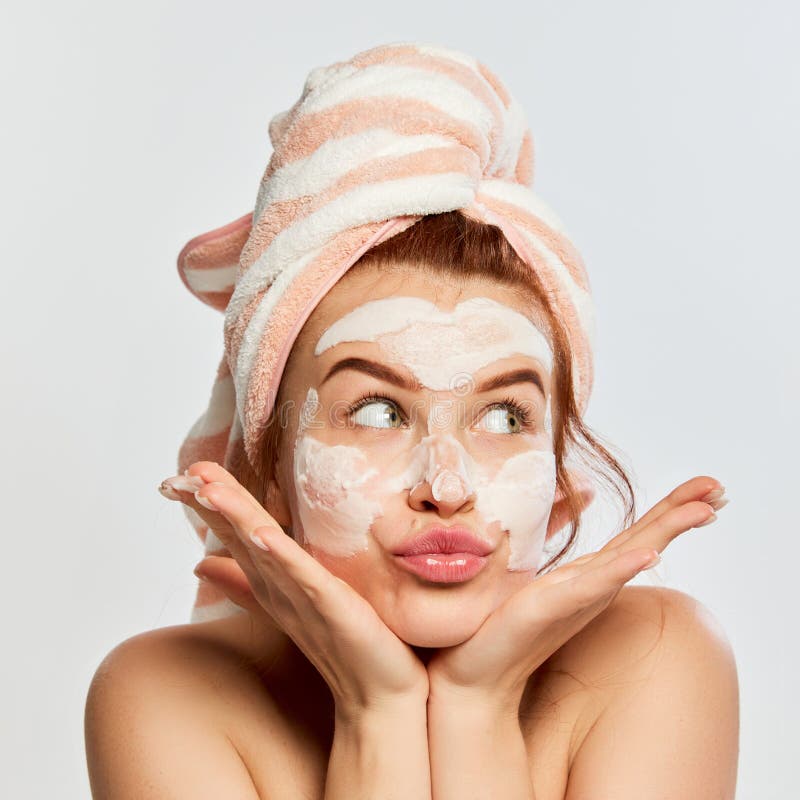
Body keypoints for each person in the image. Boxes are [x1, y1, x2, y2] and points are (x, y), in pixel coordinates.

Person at [84, 43, 739, 799]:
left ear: (560, 478)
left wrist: (476, 707)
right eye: (376, 410)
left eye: (504, 415)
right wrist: (380, 714)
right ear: (270, 465)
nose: (446, 485)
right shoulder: (167, 696)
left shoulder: (656, 657)